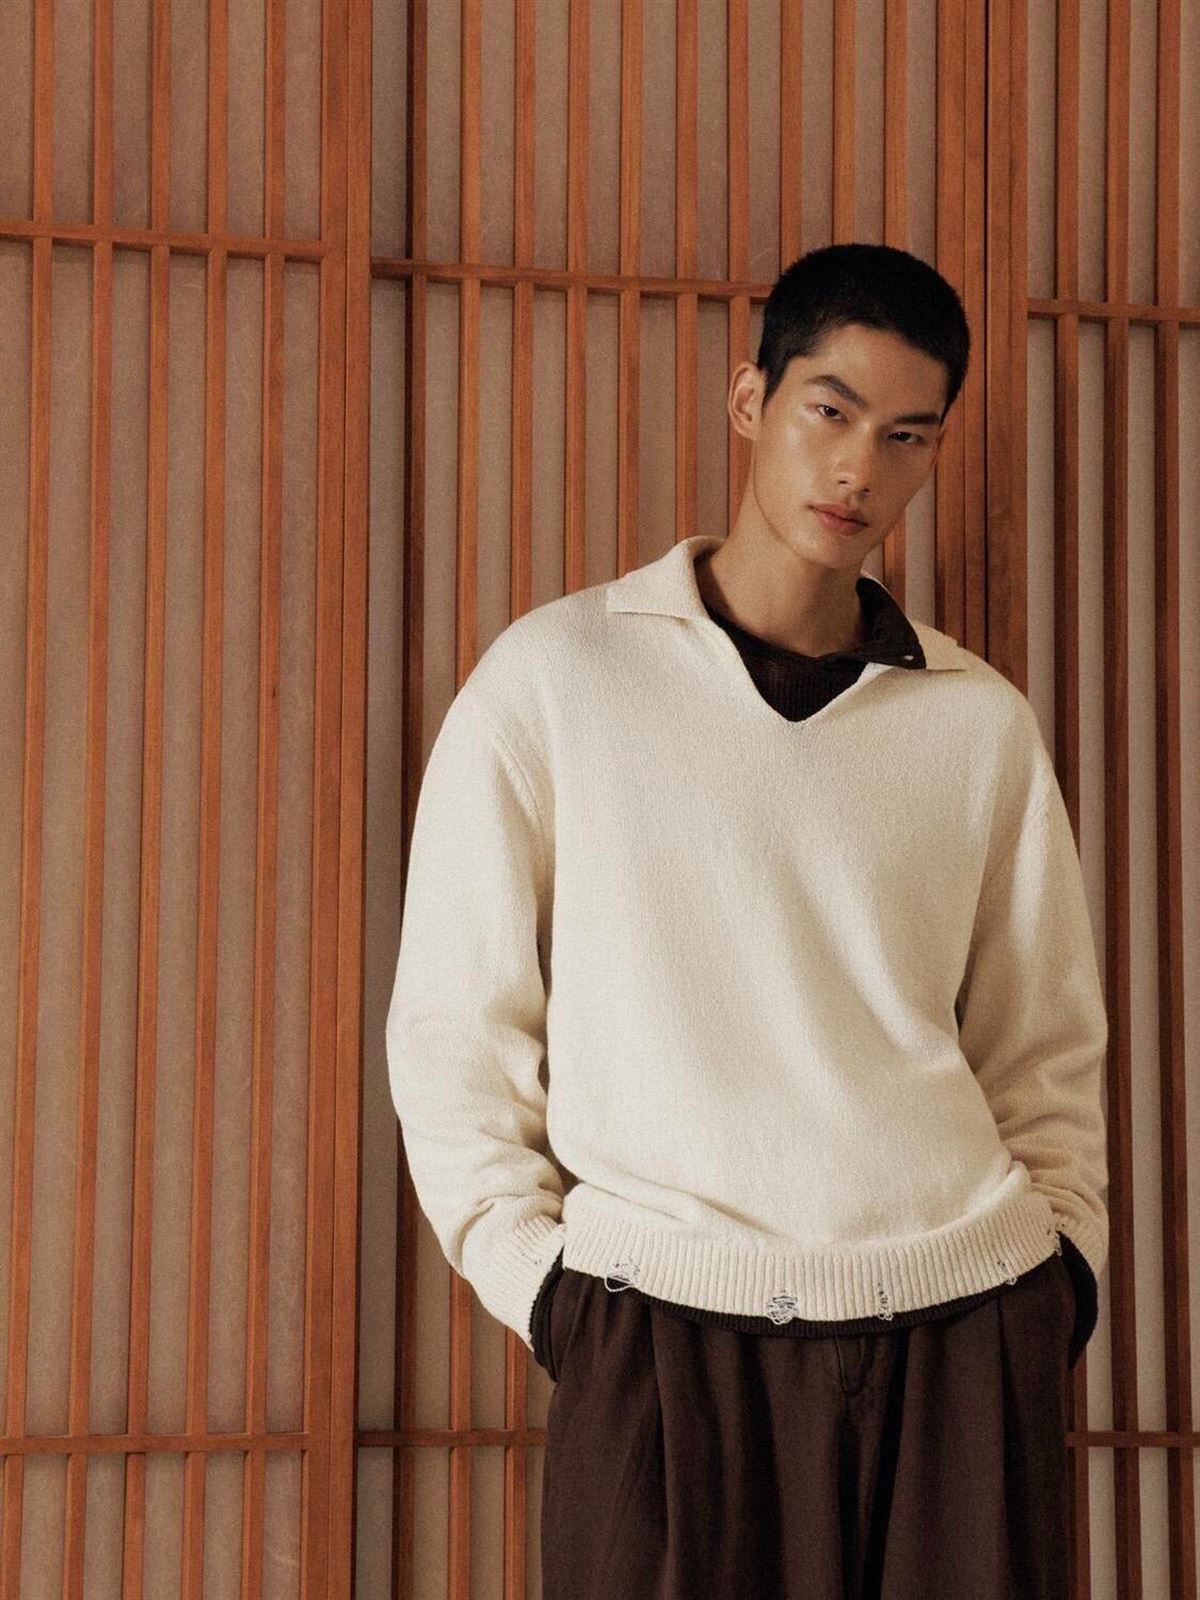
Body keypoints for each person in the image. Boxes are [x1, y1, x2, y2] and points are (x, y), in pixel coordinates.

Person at [385, 242, 1108, 1599]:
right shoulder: (557, 680)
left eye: (906, 436)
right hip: (658, 1344)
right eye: (830, 411)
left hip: (962, 1334)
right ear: (748, 401)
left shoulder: (978, 724)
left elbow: (1045, 1045)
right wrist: (548, 1291)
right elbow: (452, 1032)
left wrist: (1055, 1278)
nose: (858, 469)